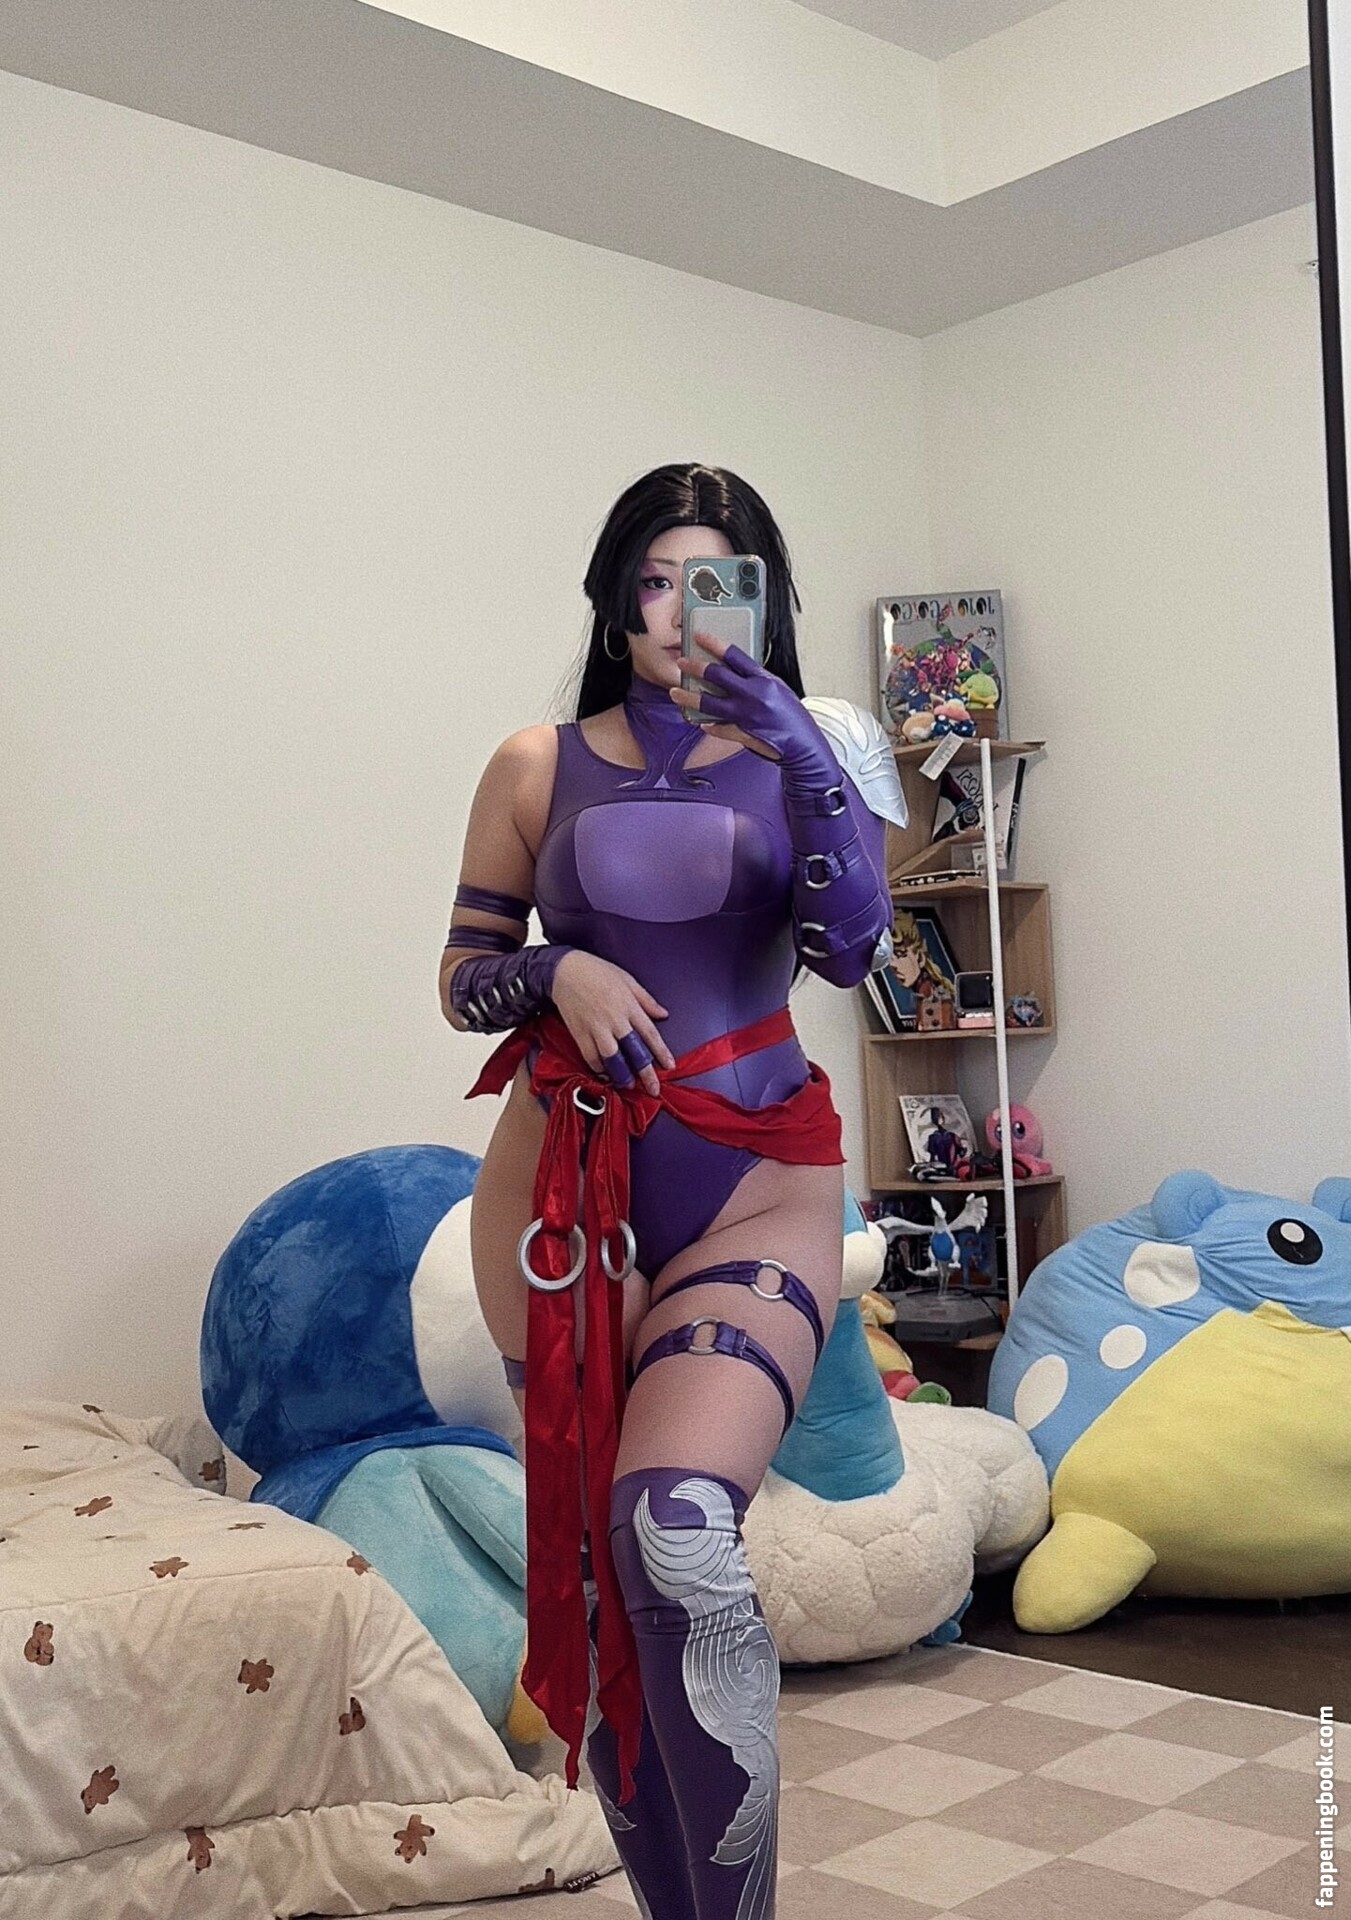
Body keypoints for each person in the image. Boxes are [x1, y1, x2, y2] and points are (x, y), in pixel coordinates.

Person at [439, 464, 897, 1920]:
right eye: (653, 580)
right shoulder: (532, 764)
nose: (681, 611)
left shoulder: (819, 750)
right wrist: (556, 971)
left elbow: (852, 950)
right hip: (561, 1196)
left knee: (677, 1527)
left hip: (757, 1181)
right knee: (597, 1584)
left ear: (763, 599)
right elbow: (462, 978)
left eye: (717, 582)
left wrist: (804, 759)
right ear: (611, 598)